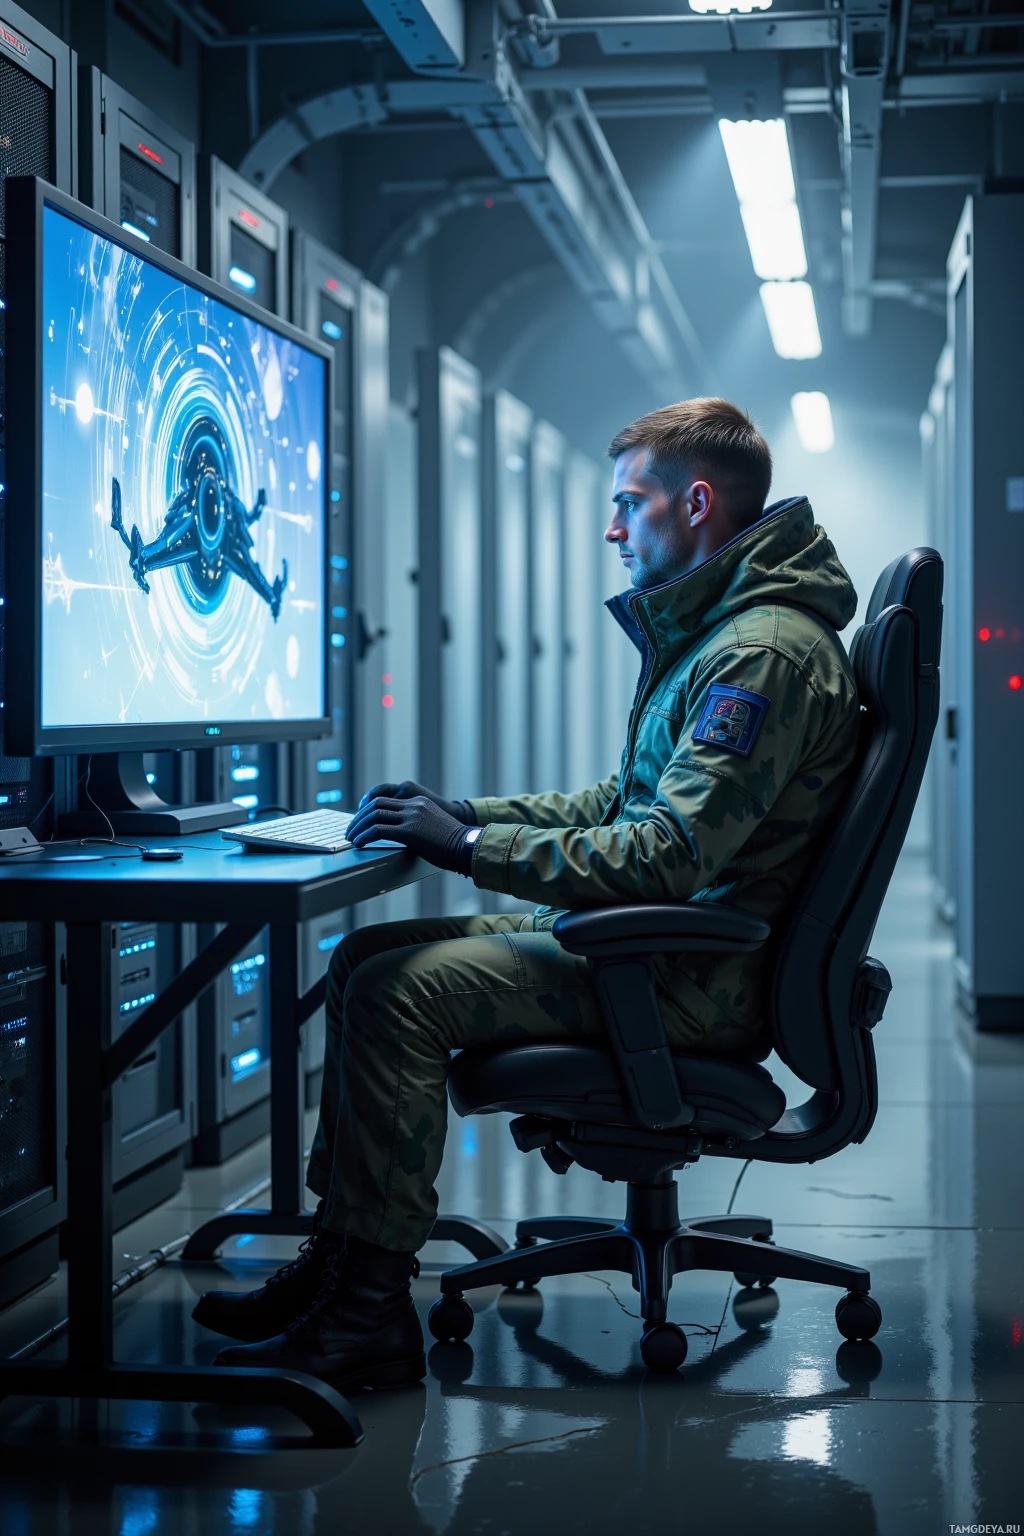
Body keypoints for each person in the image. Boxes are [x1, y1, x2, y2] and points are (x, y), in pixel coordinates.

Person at [194, 397, 861, 1391]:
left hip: (689, 974)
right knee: (365, 957)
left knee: (398, 991)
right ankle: (339, 1263)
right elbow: (620, 801)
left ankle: (368, 1316)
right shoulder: (723, 631)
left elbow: (666, 853)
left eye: (627, 504)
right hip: (668, 947)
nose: (610, 528)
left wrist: (466, 846)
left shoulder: (756, 653)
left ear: (697, 504)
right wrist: (465, 813)